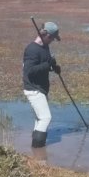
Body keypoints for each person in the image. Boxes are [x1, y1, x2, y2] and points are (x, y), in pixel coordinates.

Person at [22, 20, 61, 148]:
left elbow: (44, 63)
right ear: (47, 36)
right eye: (53, 39)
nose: (53, 41)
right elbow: (29, 71)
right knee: (45, 118)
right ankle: (38, 150)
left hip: (41, 89)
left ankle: (35, 155)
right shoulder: (32, 50)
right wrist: (47, 64)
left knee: (39, 119)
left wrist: (53, 67)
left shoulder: (45, 47)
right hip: (34, 89)